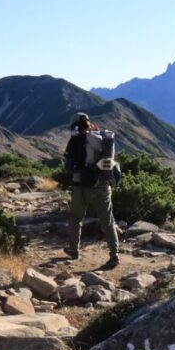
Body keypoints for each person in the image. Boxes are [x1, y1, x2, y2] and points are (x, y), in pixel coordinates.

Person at [63, 112, 120, 268]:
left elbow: (68, 166)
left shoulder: (75, 140)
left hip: (82, 186)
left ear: (74, 125)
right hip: (104, 184)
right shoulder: (102, 138)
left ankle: (74, 250)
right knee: (108, 221)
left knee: (76, 218)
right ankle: (114, 254)